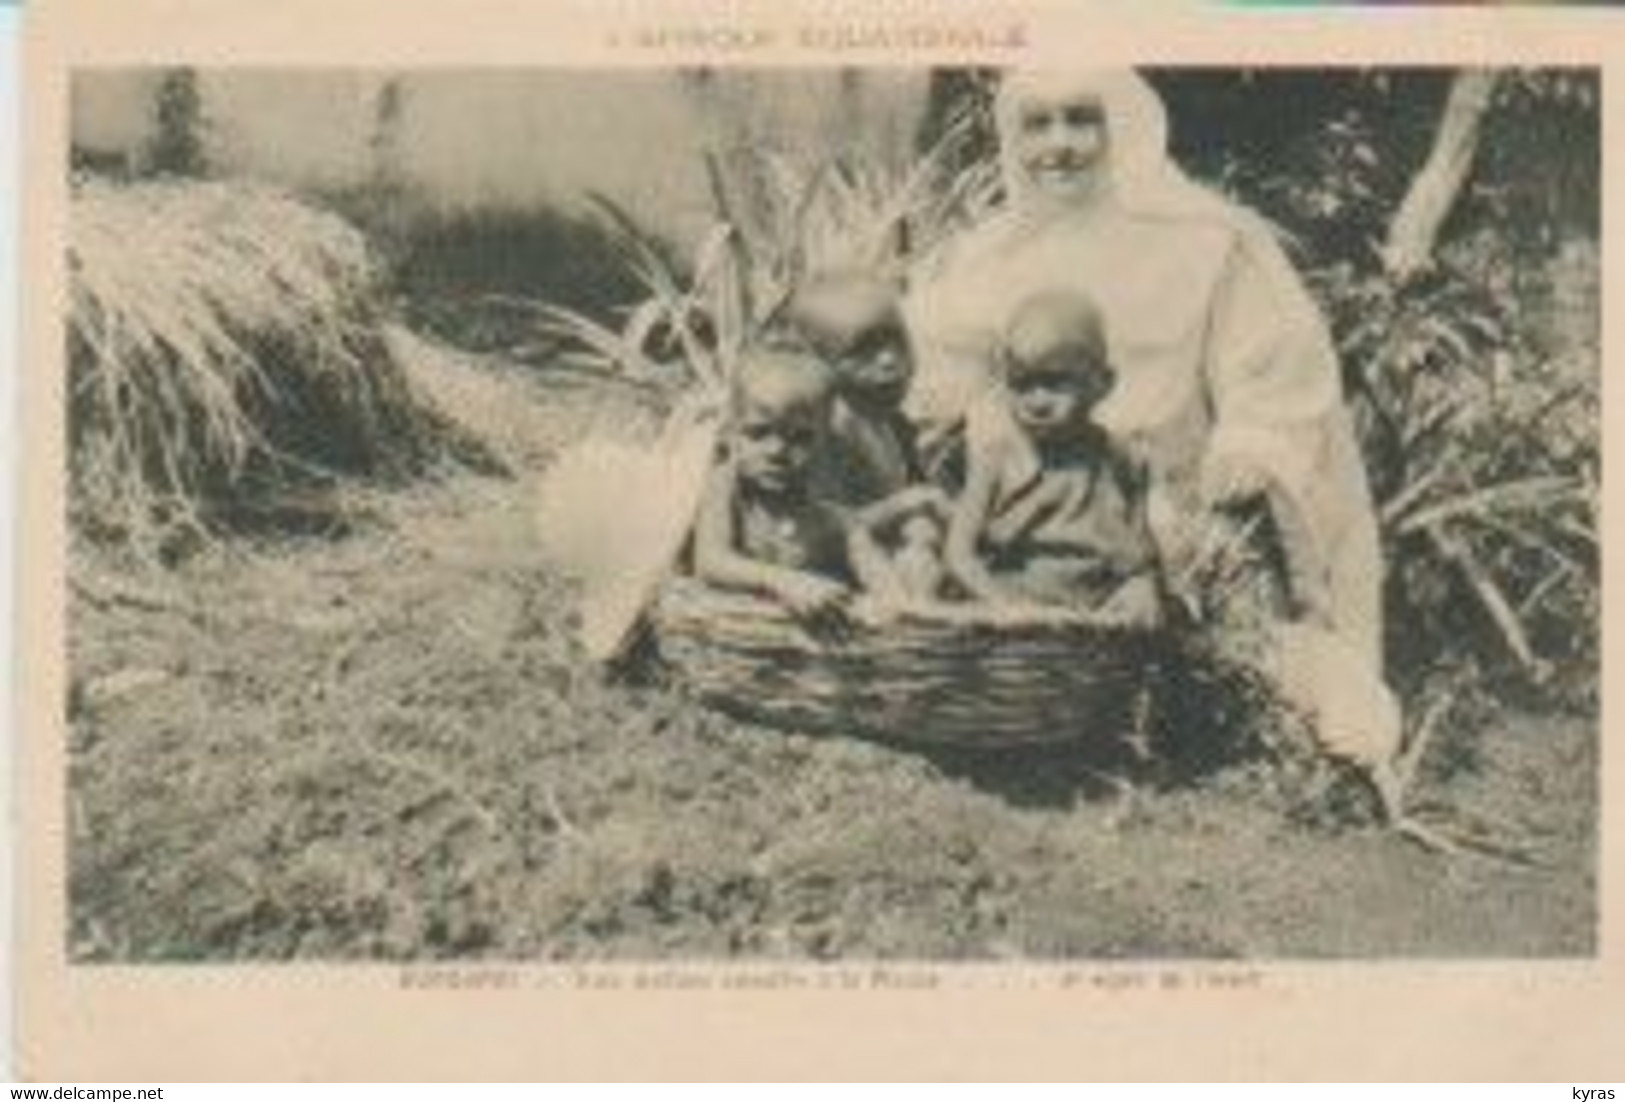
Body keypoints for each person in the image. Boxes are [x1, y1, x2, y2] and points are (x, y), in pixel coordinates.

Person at [903, 68, 1399, 785]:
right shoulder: (988, 253)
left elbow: (1272, 368)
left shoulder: (1203, 241)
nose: (1060, 146)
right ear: (1012, 137)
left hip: (1163, 496)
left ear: (1121, 127)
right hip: (1025, 491)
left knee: (1180, 604)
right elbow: (935, 372)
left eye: (1081, 119)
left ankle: (1208, 693)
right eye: (1036, 125)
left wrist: (1247, 442)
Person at [943, 289, 1161, 620]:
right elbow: (959, 555)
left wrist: (1141, 585)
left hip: (1093, 619)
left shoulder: (1119, 459)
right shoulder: (997, 460)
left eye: (1056, 383)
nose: (1038, 402)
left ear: (1102, 383)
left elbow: (1139, 552)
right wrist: (1003, 606)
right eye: (1023, 384)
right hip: (1014, 615)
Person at [691, 346, 854, 633]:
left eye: (800, 438)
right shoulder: (726, 485)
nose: (778, 450)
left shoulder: (822, 508)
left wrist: (896, 600)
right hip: (728, 636)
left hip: (794, 646)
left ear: (825, 441)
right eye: (758, 433)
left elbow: (865, 554)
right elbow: (710, 560)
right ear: (730, 432)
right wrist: (783, 580)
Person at [781, 270, 922, 508]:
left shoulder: (885, 419)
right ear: (816, 361)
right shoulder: (821, 440)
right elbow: (822, 525)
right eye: (863, 348)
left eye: (896, 338)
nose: (889, 359)